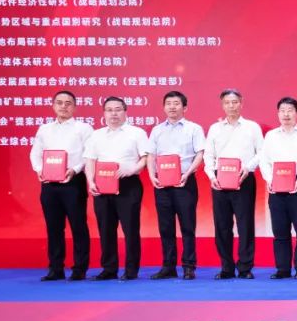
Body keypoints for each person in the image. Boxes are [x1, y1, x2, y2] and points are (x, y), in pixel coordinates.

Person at [83, 96, 150, 280]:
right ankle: (109, 269)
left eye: (118, 109)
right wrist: (91, 181)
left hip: (128, 184)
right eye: (109, 110)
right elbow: (90, 160)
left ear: (125, 111)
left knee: (130, 229)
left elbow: (145, 157)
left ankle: (131, 270)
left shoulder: (137, 133)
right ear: (104, 113)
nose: (114, 113)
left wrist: (132, 169)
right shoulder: (96, 135)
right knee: (105, 229)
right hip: (102, 185)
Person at [30, 90, 93, 281]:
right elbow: (35, 153)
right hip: (49, 183)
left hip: (73, 182)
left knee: (78, 226)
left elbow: (88, 155)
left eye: (68, 103)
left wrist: (74, 169)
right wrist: (39, 169)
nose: (63, 106)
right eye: (59, 102)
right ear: (53, 105)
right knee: (53, 227)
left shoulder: (84, 128)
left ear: (74, 107)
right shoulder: (44, 129)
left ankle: (79, 269)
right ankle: (56, 269)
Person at [204, 89, 264, 279]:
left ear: (241, 103)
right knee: (222, 225)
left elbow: (262, 152)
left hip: (244, 178)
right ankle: (226, 267)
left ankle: (245, 267)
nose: (231, 106)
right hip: (219, 180)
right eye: (227, 103)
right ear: (222, 105)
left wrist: (248, 168)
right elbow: (208, 155)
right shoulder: (215, 128)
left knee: (245, 224)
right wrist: (211, 175)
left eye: (235, 102)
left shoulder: (252, 127)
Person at [147, 91, 205, 280]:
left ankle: (189, 266)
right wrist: (152, 175)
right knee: (166, 227)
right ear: (164, 107)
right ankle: (168, 266)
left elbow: (200, 154)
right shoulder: (157, 130)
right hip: (162, 184)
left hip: (184, 182)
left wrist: (188, 174)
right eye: (168, 103)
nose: (172, 107)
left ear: (184, 107)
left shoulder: (194, 129)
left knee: (187, 226)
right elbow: (151, 155)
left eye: (176, 103)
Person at [260, 97, 297, 279]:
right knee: (280, 230)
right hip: (276, 186)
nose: (286, 114)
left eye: (290, 110)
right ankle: (282, 269)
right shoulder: (271, 136)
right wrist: (269, 180)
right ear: (278, 114)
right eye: (282, 110)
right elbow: (264, 161)